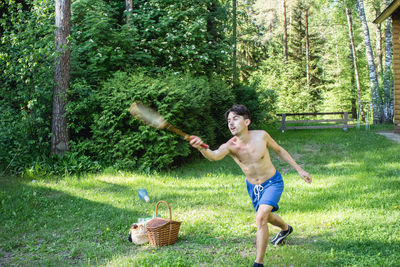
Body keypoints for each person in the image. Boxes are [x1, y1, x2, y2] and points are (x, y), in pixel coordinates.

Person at [189, 104, 312, 267]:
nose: (231, 123)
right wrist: (200, 148)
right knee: (266, 217)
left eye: (235, 119)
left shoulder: (262, 136)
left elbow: (279, 150)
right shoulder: (230, 146)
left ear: (247, 122)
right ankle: (285, 228)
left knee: (260, 217)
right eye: (228, 120)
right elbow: (213, 156)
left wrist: (299, 169)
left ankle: (258, 263)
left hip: (272, 182)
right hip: (253, 187)